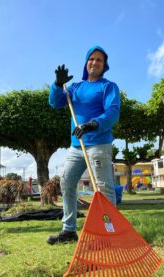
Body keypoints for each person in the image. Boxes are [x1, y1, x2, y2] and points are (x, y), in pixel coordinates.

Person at [47, 45, 120, 244]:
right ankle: (69, 230)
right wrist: (57, 84)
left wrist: (93, 124)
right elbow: (55, 102)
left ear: (104, 66)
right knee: (67, 183)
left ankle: (109, 233)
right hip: (76, 147)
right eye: (91, 59)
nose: (94, 62)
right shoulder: (75, 88)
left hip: (99, 144)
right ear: (86, 62)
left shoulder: (108, 86)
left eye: (99, 60)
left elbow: (113, 111)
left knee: (103, 188)